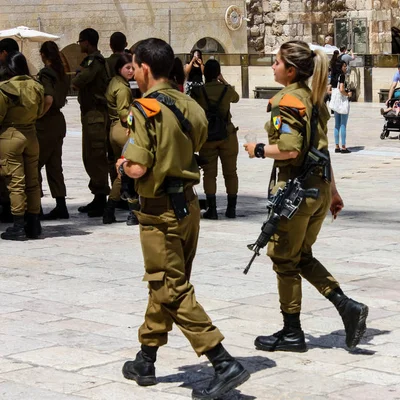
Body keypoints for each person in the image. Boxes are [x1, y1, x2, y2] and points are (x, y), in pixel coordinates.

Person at [117, 38, 249, 400]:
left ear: (144, 67)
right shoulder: (191, 104)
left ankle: (222, 362)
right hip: (189, 207)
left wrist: (123, 165)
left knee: (169, 288)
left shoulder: (144, 110)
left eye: (134, 65)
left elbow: (139, 164)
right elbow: (198, 144)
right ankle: (146, 357)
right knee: (168, 285)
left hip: (159, 212)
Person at [243, 40, 368, 354]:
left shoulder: (286, 101)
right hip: (318, 191)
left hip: (295, 193)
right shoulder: (313, 100)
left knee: (284, 260)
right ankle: (346, 306)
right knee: (300, 257)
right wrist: (334, 192)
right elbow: (321, 151)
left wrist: (257, 149)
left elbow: (292, 149)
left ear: (291, 70)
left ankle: (292, 332)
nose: (272, 66)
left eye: (276, 62)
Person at [0, 52, 45, 240]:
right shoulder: (37, 86)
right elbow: (41, 111)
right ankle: (34, 223)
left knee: (15, 182)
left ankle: (18, 225)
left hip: (10, 135)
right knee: (32, 181)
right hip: (31, 135)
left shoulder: (5, 88)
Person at [190, 59, 240, 219]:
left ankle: (212, 209)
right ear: (218, 73)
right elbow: (237, 98)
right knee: (231, 173)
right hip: (227, 134)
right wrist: (223, 79)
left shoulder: (199, 91)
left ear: (204, 73)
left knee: (209, 174)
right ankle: (231, 208)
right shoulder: (226, 89)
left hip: (207, 136)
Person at [71, 28, 110, 218]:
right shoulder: (90, 61)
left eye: (80, 41)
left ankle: (101, 198)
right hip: (90, 114)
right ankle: (98, 196)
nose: (79, 45)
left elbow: (79, 81)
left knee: (96, 156)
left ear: (87, 42)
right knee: (90, 156)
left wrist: (78, 74)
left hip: (96, 115)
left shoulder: (95, 61)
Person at [37, 41, 70, 220]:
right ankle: (61, 205)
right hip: (59, 121)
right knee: (55, 165)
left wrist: (38, 115)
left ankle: (36, 207)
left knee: (35, 165)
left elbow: (48, 98)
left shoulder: (46, 73)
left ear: (43, 54)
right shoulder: (63, 73)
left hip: (46, 123)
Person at [103, 52, 138, 225]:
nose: (131, 71)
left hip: (113, 129)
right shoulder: (123, 88)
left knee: (120, 171)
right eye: (127, 68)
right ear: (119, 69)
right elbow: (125, 116)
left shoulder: (115, 82)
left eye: (133, 67)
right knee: (126, 171)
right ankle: (112, 207)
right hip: (123, 129)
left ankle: (113, 207)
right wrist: (137, 117)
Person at [0, 38, 19, 222]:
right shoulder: (27, 78)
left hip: (7, 130)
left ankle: (9, 210)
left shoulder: (5, 74)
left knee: (8, 173)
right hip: (25, 130)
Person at [330, 60, 352, 153]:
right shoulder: (341, 76)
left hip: (335, 102)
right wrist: (347, 94)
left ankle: (336, 146)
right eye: (344, 66)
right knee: (343, 124)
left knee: (336, 125)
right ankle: (343, 146)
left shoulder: (333, 76)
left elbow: (329, 89)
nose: (345, 68)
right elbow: (341, 88)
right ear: (340, 67)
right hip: (342, 101)